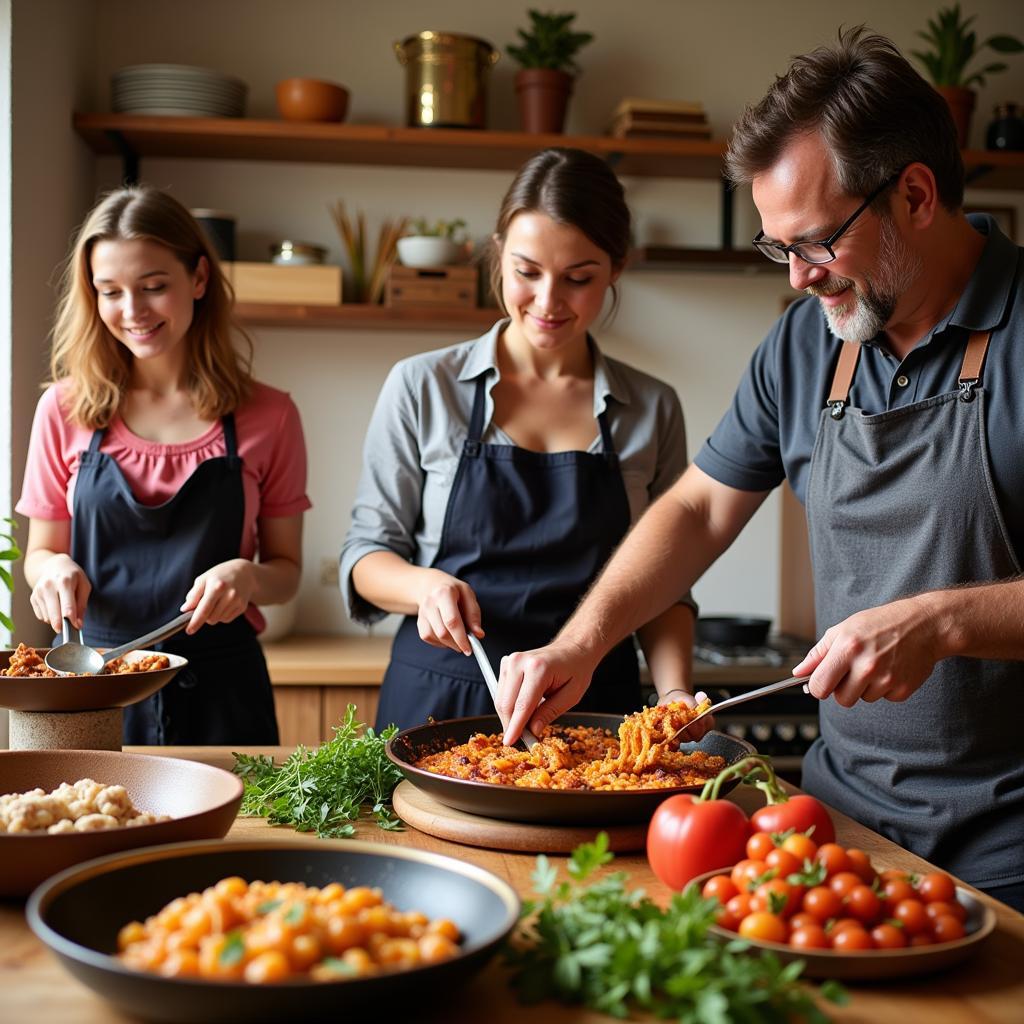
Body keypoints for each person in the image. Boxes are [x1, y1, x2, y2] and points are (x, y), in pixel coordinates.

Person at [495, 29, 1024, 912]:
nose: (799, 279)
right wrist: (583, 642)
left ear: (918, 195)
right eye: (779, 249)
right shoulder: (805, 343)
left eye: (815, 244)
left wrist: (946, 620)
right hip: (841, 830)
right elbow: (700, 507)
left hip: (1011, 847)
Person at [341, 147, 707, 734]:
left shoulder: (653, 407)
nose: (547, 302)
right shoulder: (422, 386)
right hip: (442, 701)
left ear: (617, 268)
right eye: (527, 271)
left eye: (578, 279)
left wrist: (675, 695)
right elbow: (365, 556)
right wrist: (426, 585)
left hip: (594, 709)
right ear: (497, 254)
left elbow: (663, 581)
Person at [16, 185, 311, 745]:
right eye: (110, 292)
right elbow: (40, 553)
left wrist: (248, 577)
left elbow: (285, 572)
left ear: (199, 278)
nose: (132, 312)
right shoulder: (62, 408)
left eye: (153, 287)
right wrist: (52, 570)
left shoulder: (270, 415)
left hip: (225, 688)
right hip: (97, 683)